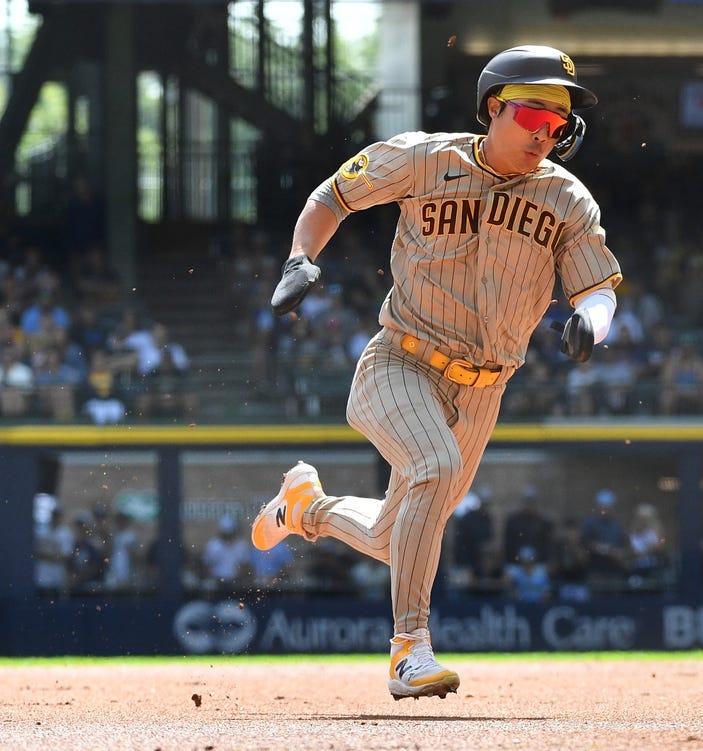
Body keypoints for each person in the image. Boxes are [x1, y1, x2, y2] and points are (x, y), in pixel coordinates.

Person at [249, 45, 620, 700]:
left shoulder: (565, 198)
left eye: (559, 124)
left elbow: (599, 288)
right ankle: (408, 649)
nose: (546, 132)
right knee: (435, 468)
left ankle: (307, 507)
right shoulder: (424, 156)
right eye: (535, 113)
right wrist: (300, 257)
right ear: (494, 108)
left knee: (396, 536)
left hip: (484, 389)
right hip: (399, 361)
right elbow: (332, 193)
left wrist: (593, 320)